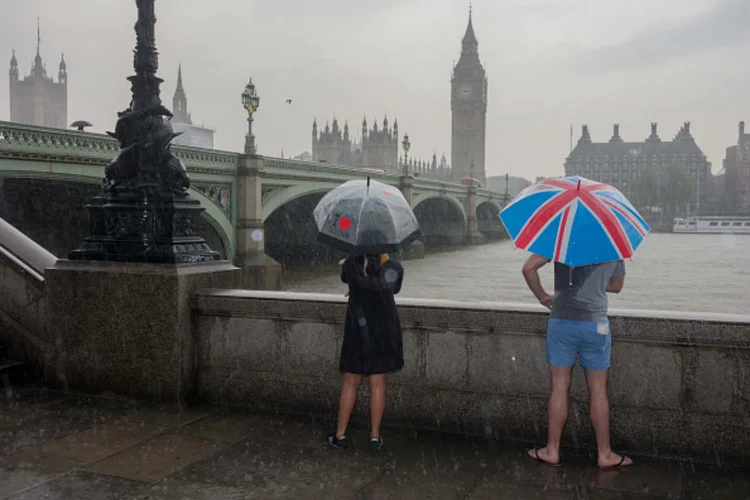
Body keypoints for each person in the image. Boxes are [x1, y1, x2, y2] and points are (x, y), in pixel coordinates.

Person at [522, 254, 633, 469]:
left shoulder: (561, 242)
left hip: (562, 323)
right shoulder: (611, 246)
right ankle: (605, 454)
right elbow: (616, 286)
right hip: (595, 324)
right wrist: (595, 283)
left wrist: (543, 297)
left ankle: (551, 450)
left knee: (559, 386)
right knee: (599, 389)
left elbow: (528, 269)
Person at [327, 253, 404, 451]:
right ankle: (374, 437)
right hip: (382, 330)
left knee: (351, 382)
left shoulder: (352, 263)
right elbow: (394, 288)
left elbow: (345, 279)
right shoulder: (392, 266)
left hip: (358, 330)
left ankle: (340, 434)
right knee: (377, 383)